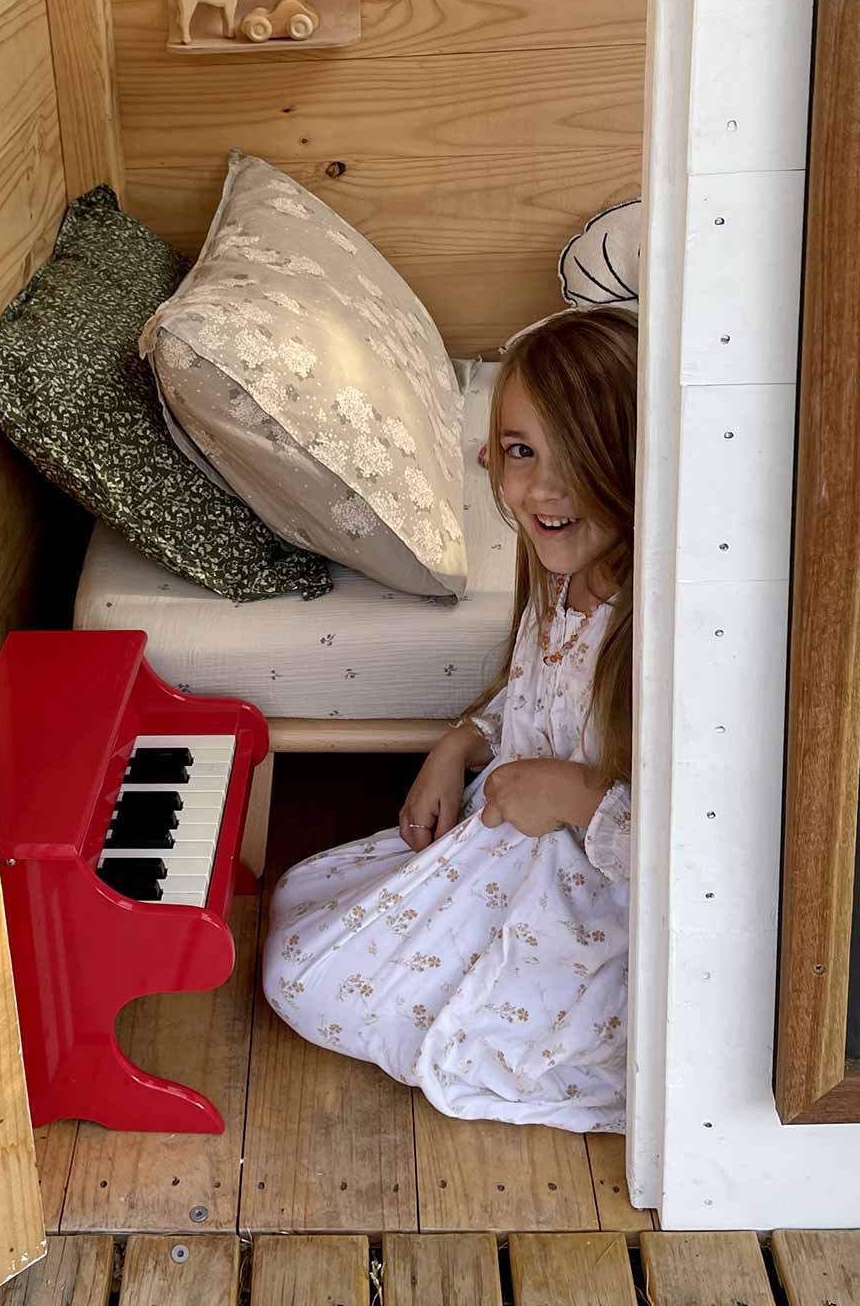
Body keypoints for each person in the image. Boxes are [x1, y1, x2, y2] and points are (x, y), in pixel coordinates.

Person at [260, 305, 637, 1130]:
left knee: (307, 979)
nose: (543, 488)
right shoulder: (564, 580)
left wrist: (577, 797)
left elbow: (698, 857)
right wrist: (458, 744)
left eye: (575, 455)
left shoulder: (648, 630)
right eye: (520, 453)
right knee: (299, 904)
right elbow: (533, 695)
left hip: (590, 909)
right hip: (511, 841)